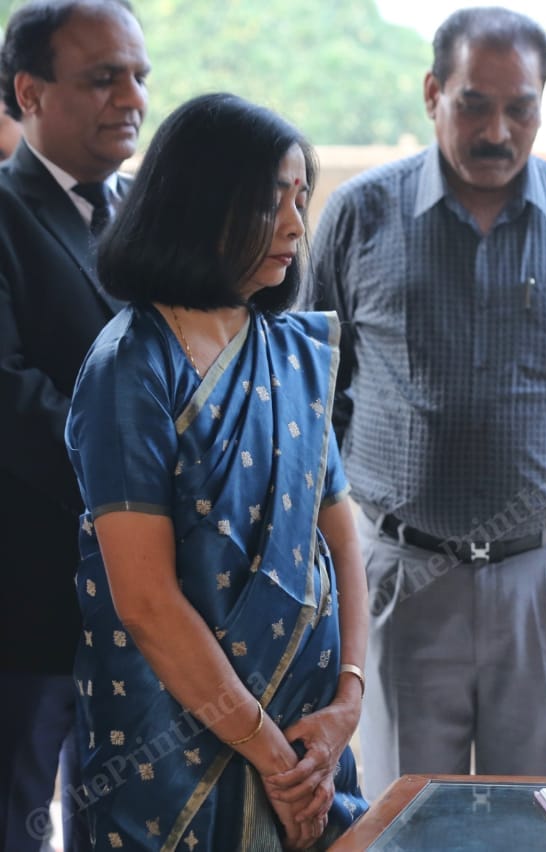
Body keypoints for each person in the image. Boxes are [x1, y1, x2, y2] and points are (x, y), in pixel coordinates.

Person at [307, 6, 546, 793]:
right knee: (401, 812)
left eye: (519, 107)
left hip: (545, 580)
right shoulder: (359, 215)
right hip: (401, 576)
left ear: (541, 103)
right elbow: (318, 393)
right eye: (474, 103)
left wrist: (541, 499)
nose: (498, 129)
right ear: (433, 93)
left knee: (541, 815)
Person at [64, 92, 368, 850]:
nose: (298, 227)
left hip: (310, 736)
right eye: (272, 203)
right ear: (202, 205)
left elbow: (341, 541)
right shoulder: (131, 366)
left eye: (301, 198)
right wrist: (273, 757)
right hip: (172, 750)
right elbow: (146, 602)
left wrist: (347, 706)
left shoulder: (292, 350)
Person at [0, 2, 147, 849]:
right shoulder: (6, 213)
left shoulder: (144, 218)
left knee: (121, 823)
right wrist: (138, 475)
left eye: (139, 75)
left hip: (141, 607)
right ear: (30, 91)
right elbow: (10, 396)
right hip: (29, 604)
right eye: (102, 78)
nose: (130, 96)